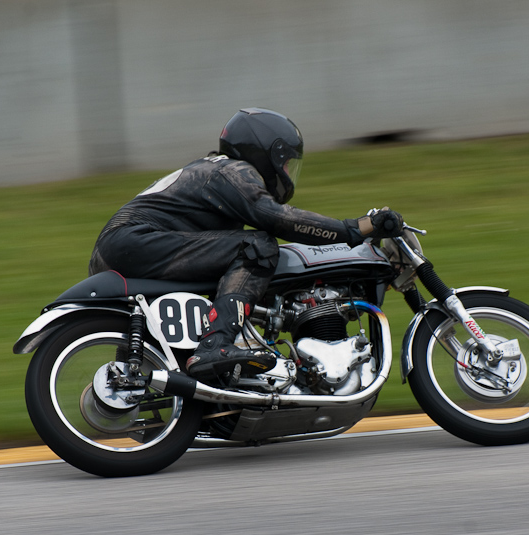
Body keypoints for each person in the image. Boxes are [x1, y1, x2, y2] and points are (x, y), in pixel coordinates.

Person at [89, 108, 404, 383]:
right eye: (284, 163)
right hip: (134, 241)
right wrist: (355, 228)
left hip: (126, 246)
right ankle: (215, 345)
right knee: (258, 245)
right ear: (264, 151)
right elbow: (278, 218)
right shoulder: (233, 170)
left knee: (244, 258)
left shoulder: (211, 169)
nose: (286, 173)